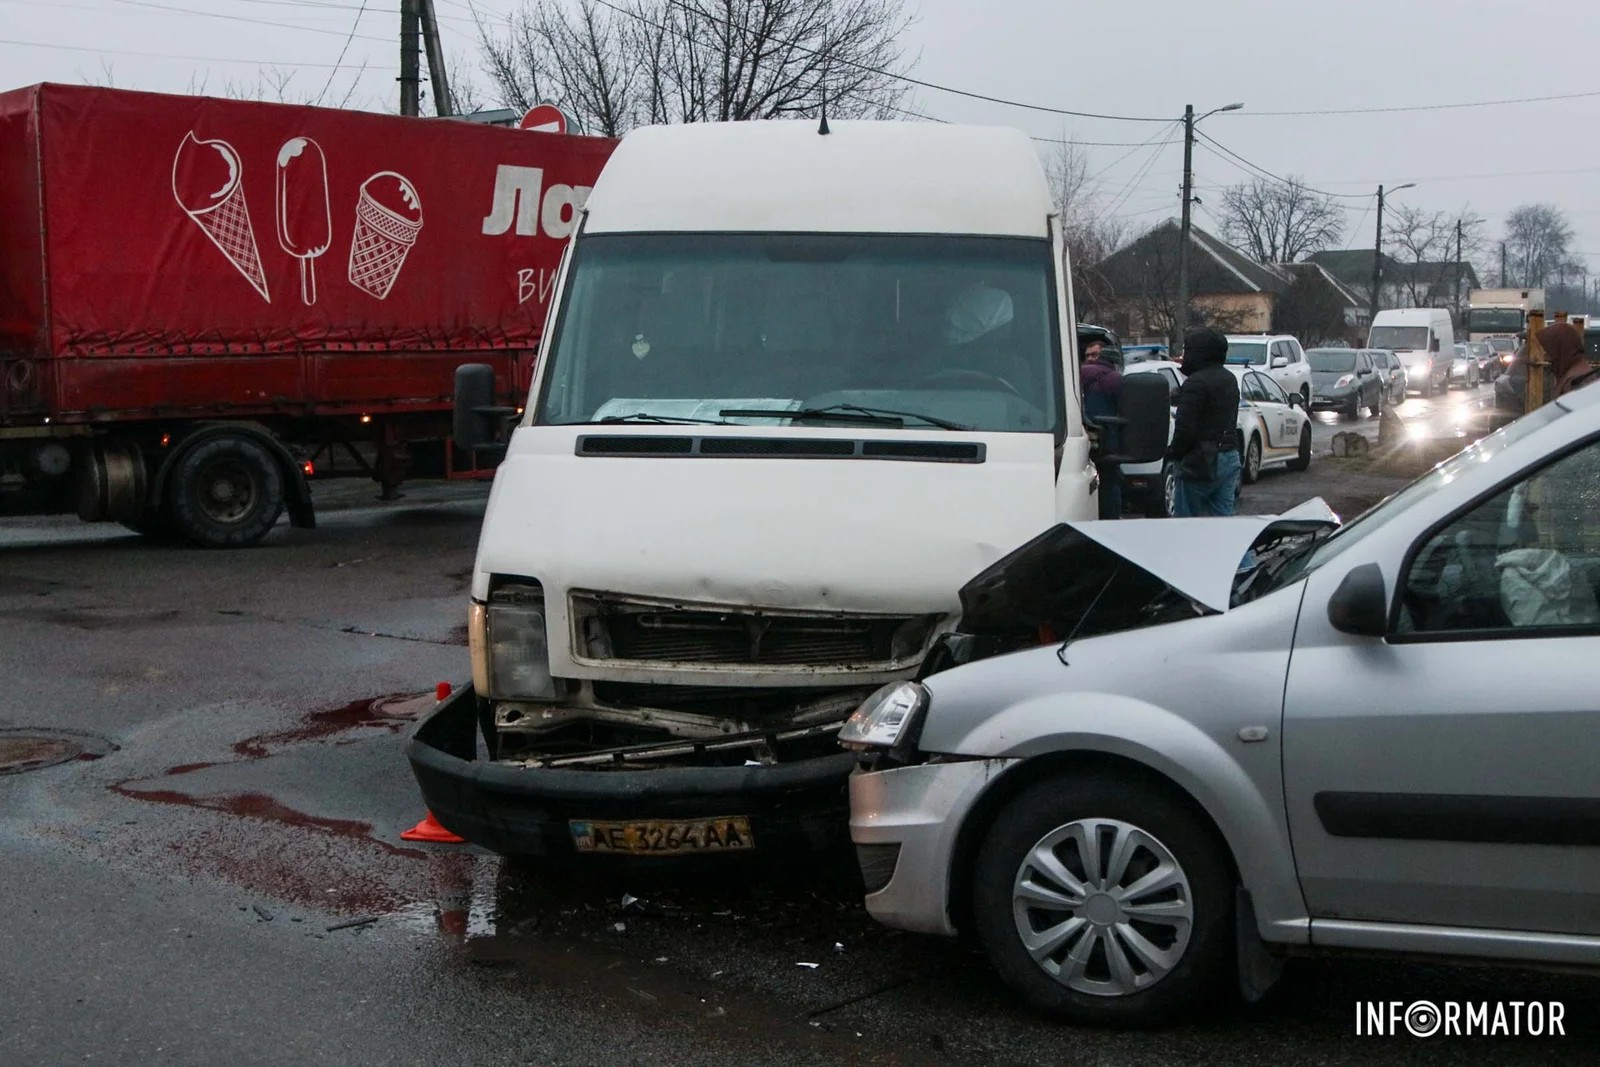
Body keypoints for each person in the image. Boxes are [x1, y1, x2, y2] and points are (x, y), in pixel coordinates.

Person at [1167, 328, 1242, 517]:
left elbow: (1185, 428)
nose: (1184, 356)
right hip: (1229, 454)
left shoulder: (1195, 383)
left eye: (1187, 350)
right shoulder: (1229, 379)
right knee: (1224, 519)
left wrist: (1173, 453)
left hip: (1199, 461)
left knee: (1187, 521)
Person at [1080, 338, 1124, 519]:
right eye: (1088, 355)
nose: (1091, 359)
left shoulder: (1073, 377)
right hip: (1108, 445)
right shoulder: (1115, 380)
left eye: (1095, 355)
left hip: (1079, 441)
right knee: (1110, 486)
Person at [1536, 321, 1596, 399]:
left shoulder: (1577, 381)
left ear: (1561, 349)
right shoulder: (1574, 373)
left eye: (1549, 352)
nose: (1546, 357)